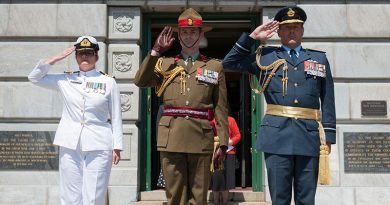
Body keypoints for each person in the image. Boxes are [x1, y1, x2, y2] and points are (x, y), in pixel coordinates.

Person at [222, 6, 336, 205]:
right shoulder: (264, 57)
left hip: (308, 136)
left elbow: (328, 98)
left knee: (306, 199)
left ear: (302, 30)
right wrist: (252, 37)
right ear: (279, 31)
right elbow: (229, 63)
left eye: (296, 27)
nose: (291, 31)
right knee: (280, 198)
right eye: (286, 27)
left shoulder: (318, 59)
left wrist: (329, 135)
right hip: (277, 137)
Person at [134, 8, 229, 205]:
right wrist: (155, 52)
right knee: (174, 195)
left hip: (201, 137)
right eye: (184, 32)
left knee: (199, 195)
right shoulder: (164, 63)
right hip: (172, 136)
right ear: (178, 35)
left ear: (201, 34)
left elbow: (221, 106)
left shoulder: (214, 66)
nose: (188, 36)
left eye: (193, 32)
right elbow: (141, 81)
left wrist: (223, 142)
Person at [28, 36, 123, 205]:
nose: (85, 57)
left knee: (93, 196)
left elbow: (116, 116)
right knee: (70, 195)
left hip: (99, 144)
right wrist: (55, 59)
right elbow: (34, 78)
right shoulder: (64, 80)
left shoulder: (108, 82)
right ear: (76, 57)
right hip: (70, 143)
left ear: (96, 56)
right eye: (80, 54)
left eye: (89, 53)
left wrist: (117, 146)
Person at [210, 116, 241, 205]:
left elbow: (237, 136)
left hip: (228, 153)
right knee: (216, 180)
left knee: (226, 181)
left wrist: (227, 143)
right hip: (215, 154)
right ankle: (216, 202)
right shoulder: (212, 120)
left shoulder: (231, 120)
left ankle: (224, 203)